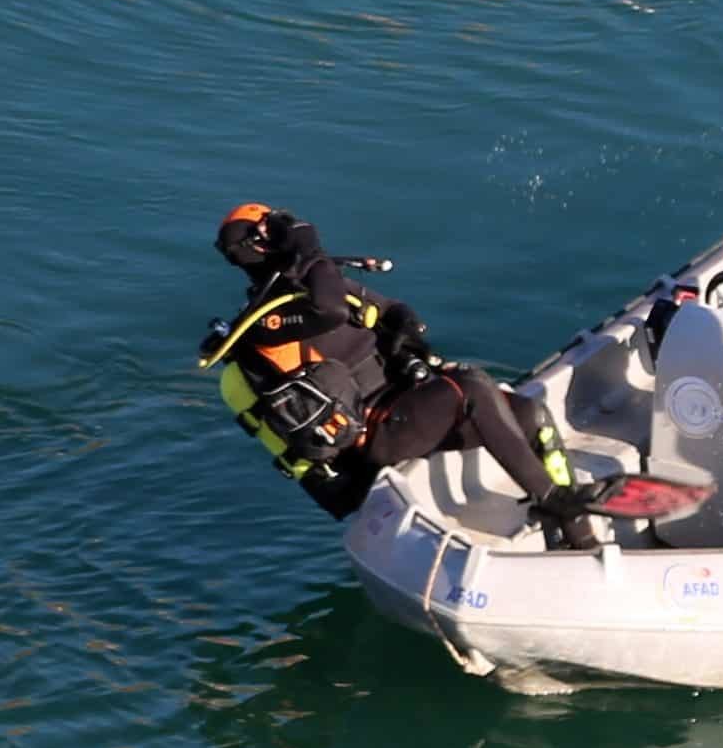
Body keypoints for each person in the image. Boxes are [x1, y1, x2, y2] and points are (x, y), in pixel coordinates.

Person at [200, 203, 599, 548]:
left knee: (532, 417)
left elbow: (391, 309)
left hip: (407, 406)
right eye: (273, 231)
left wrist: (405, 333)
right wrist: (310, 251)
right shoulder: (264, 321)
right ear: (254, 248)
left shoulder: (319, 281)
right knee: (472, 388)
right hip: (374, 435)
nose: (287, 235)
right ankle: (550, 497)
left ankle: (577, 535)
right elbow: (330, 311)